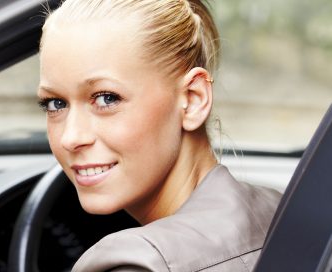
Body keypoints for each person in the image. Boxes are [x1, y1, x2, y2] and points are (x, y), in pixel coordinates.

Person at [37, 0, 282, 271]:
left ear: (193, 99)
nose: (70, 138)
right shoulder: (283, 210)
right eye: (55, 104)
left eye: (107, 98)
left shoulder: (135, 263)